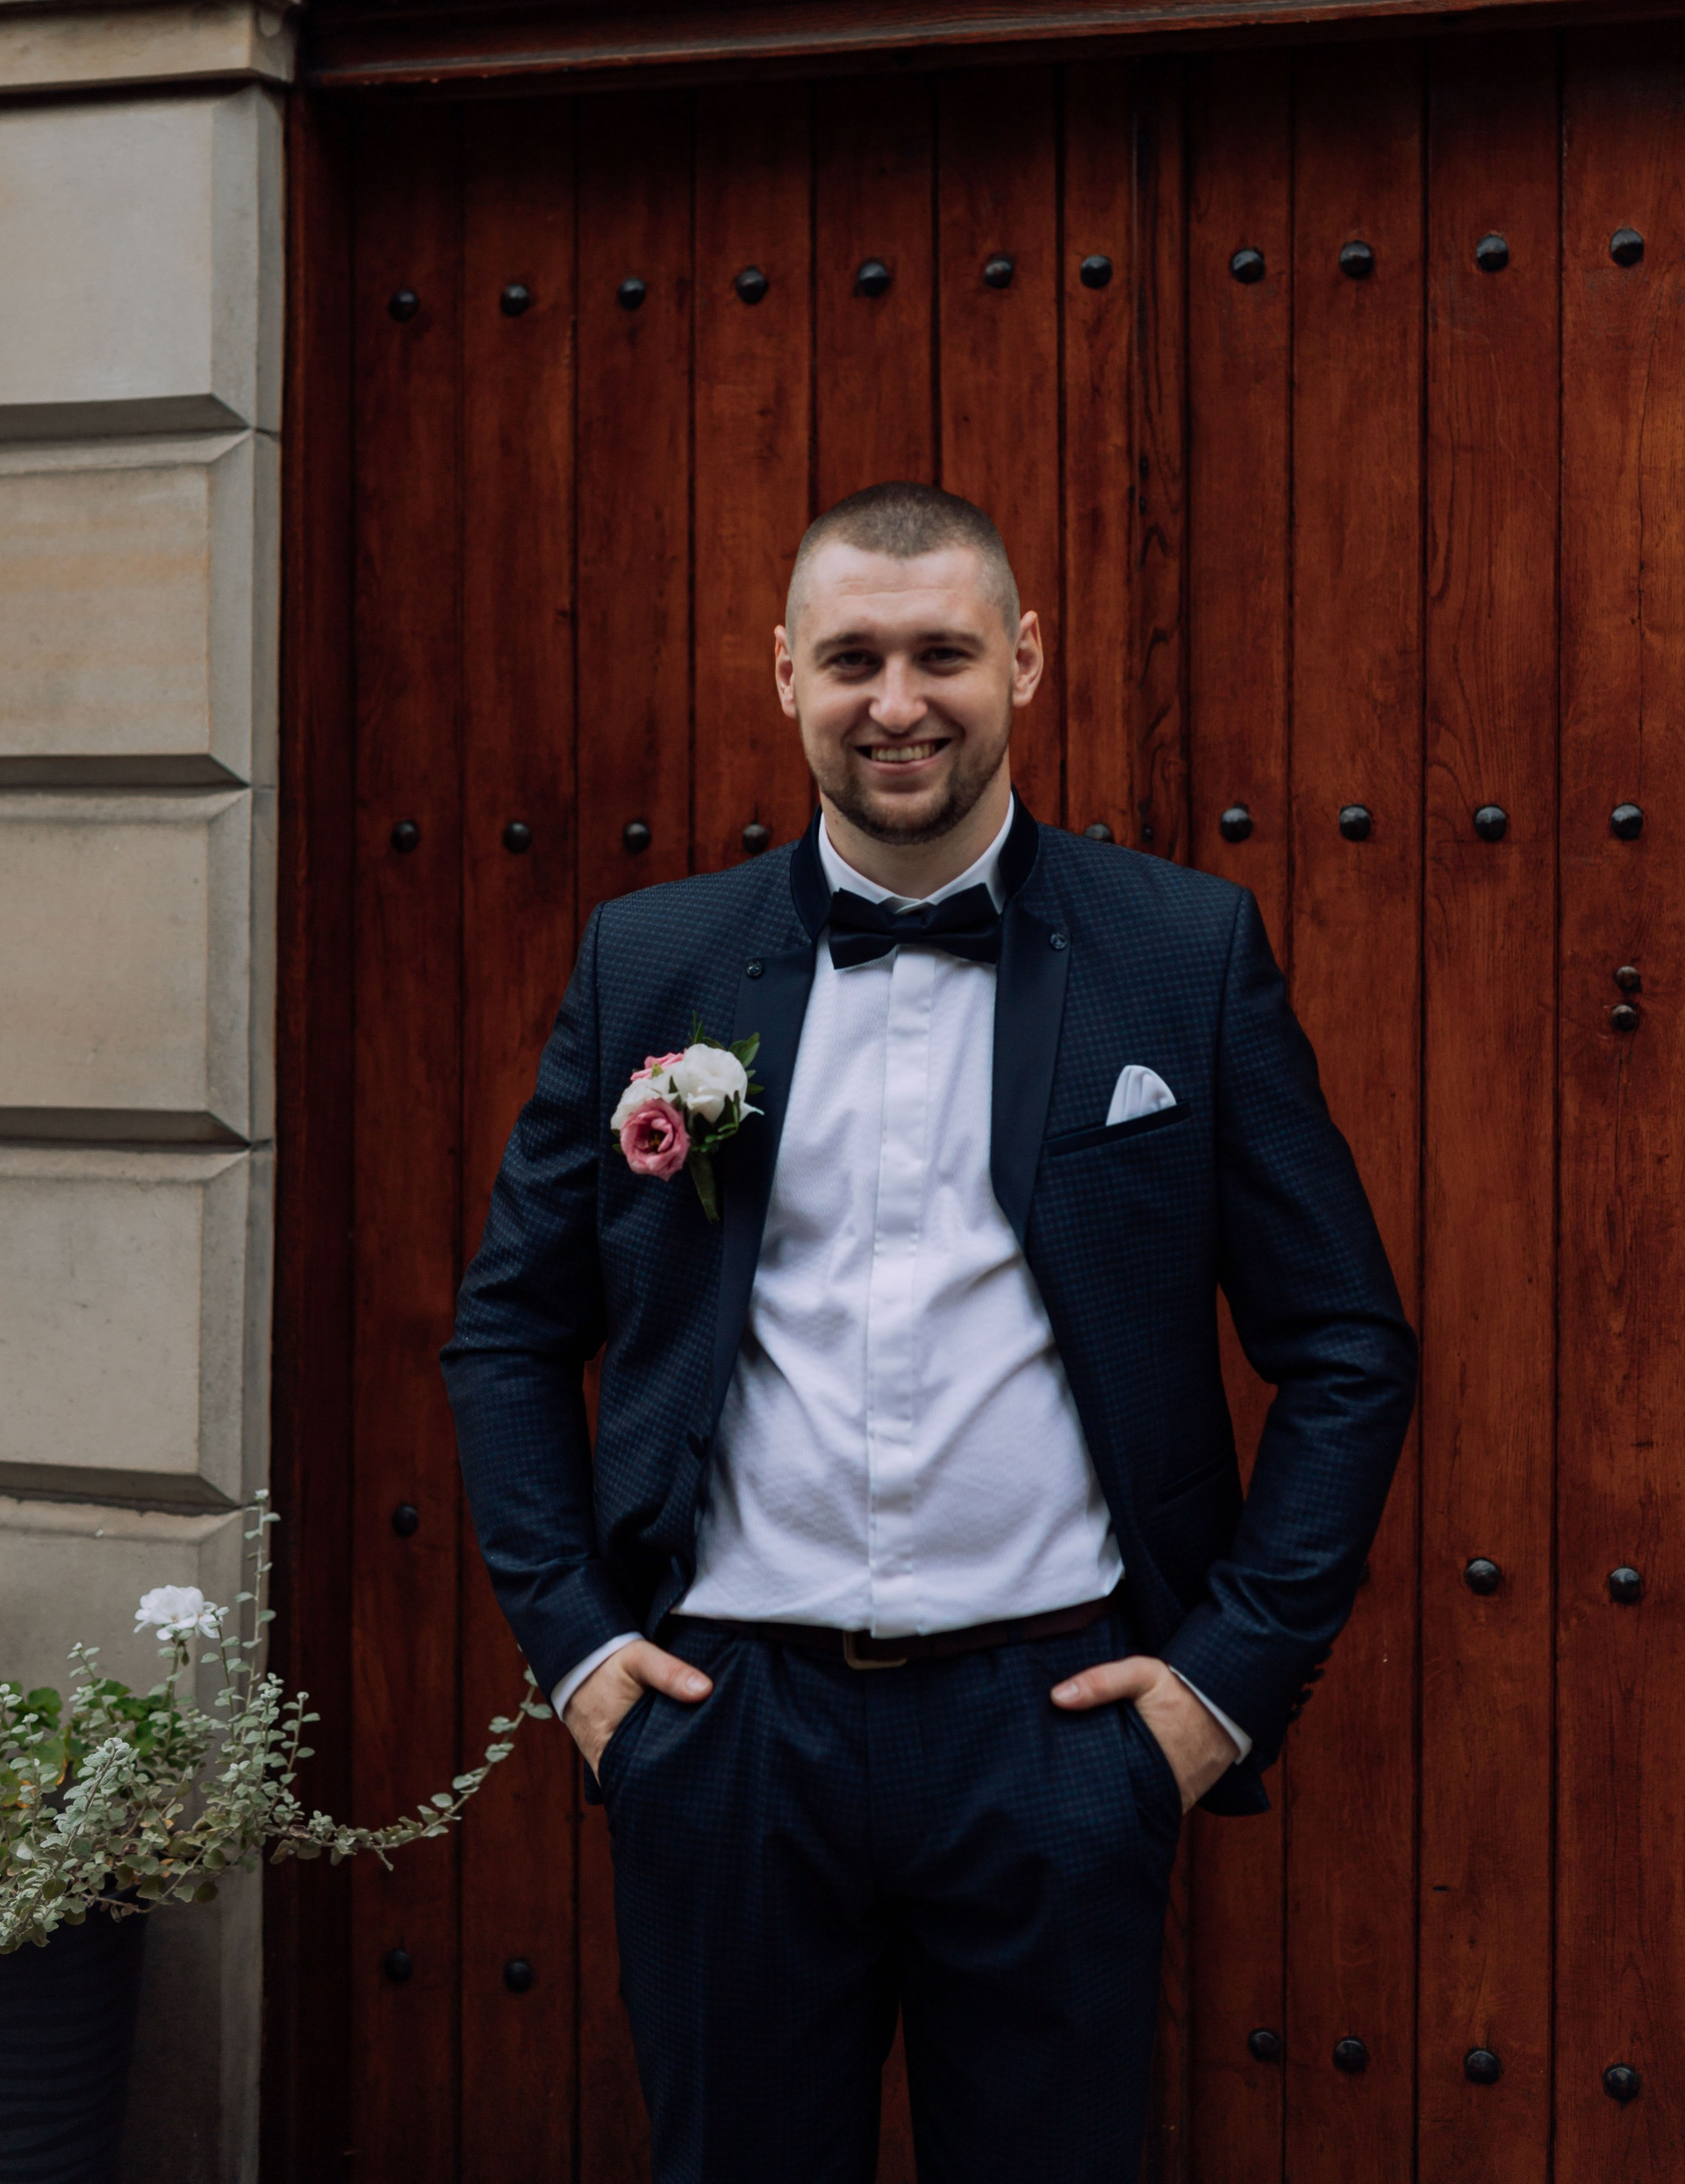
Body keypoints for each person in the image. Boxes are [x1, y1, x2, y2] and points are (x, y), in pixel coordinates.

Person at [442, 481, 1416, 2183]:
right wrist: (588, 1667)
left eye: (944, 655)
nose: (898, 703)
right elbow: (509, 1334)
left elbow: (1346, 1343)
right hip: (730, 1734)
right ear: (786, 675)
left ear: (1025, 661)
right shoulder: (649, 963)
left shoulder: (1182, 951)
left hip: (1057, 1740)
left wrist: (1219, 1692)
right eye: (853, 659)